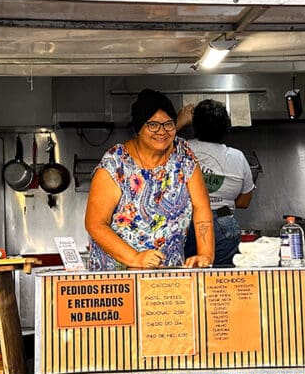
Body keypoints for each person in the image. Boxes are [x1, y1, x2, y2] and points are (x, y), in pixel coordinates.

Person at [84, 89, 214, 270]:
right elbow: (95, 223)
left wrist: (205, 254)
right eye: (153, 125)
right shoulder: (116, 163)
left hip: (168, 276)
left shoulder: (183, 156)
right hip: (118, 279)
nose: (162, 132)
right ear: (139, 127)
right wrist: (135, 258)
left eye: (168, 124)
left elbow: (201, 206)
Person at [177, 99, 255, 267]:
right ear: (225, 128)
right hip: (224, 222)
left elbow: (154, 147)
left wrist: (180, 121)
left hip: (185, 224)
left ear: (194, 125)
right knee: (220, 283)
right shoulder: (238, 157)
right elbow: (244, 201)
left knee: (182, 282)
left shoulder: (181, 149)